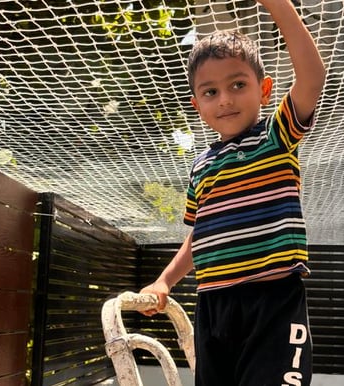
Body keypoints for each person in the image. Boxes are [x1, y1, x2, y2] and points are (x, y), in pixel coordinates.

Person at [138, 0, 325, 385]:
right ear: (197, 104)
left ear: (265, 90)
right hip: (214, 305)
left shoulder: (276, 137)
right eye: (210, 92)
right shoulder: (201, 166)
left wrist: (279, 6)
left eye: (238, 85)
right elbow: (200, 234)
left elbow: (312, 78)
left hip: (272, 301)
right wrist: (164, 280)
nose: (225, 99)